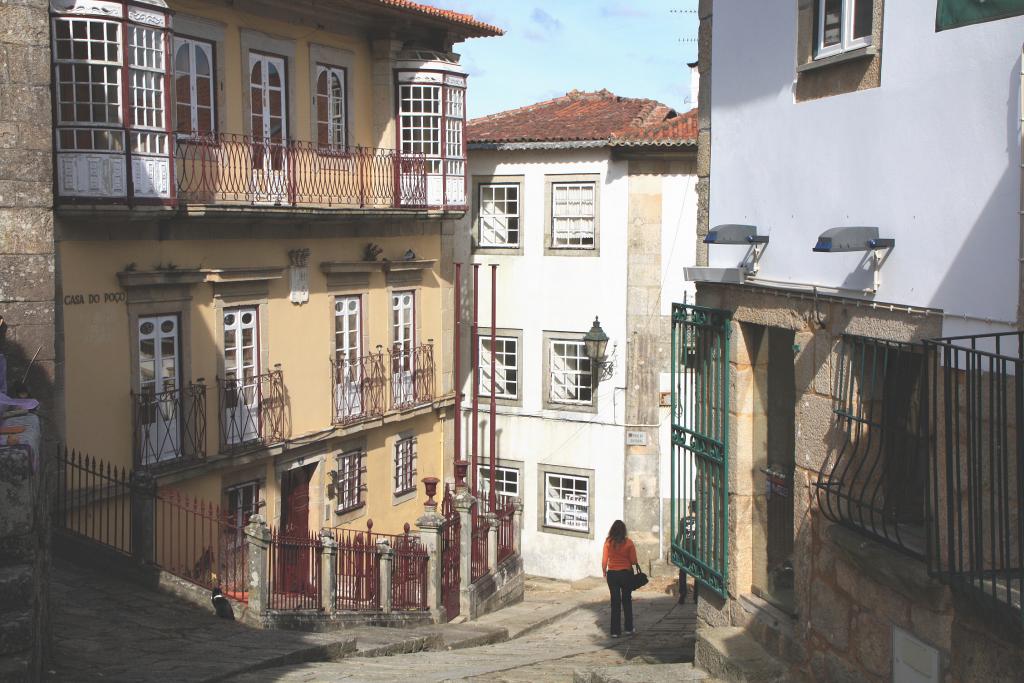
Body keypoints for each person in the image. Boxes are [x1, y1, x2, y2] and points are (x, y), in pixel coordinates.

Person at [601, 519, 638, 638]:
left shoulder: (608, 542)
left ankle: (615, 631)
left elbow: (604, 560)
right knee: (627, 601)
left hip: (612, 574)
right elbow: (633, 561)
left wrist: (604, 572)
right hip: (625, 574)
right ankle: (628, 628)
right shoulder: (629, 543)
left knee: (615, 603)